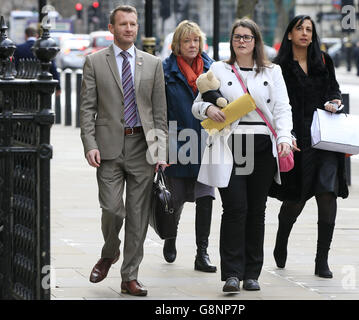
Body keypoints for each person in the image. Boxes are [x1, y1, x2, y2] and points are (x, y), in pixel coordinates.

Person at [192, 18, 293, 293]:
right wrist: (208, 110)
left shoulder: (272, 72)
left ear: (256, 41)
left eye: (247, 37)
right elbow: (198, 104)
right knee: (235, 208)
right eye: (237, 37)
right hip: (230, 145)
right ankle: (232, 274)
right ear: (232, 40)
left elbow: (283, 109)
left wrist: (284, 138)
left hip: (262, 146)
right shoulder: (218, 69)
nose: (242, 41)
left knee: (256, 210)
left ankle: (252, 273)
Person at [80, 5, 168, 297]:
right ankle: (110, 251)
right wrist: (90, 145)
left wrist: (160, 150)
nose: (129, 28)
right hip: (107, 149)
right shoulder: (94, 62)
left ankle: (129, 276)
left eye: (133, 24)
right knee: (112, 209)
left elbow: (159, 112)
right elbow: (87, 108)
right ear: (112, 28)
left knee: (137, 215)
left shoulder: (153, 64)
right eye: (123, 24)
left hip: (142, 148)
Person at [270, 15, 349, 279]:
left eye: (309, 30)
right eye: (299, 29)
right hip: (296, 140)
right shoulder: (278, 67)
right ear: (290, 34)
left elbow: (334, 90)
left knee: (328, 193)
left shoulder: (324, 61)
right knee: (296, 199)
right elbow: (276, 105)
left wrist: (334, 102)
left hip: (325, 138)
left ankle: (321, 260)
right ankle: (282, 239)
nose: (305, 33)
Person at [162, 20, 217, 273]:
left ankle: (202, 253)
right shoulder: (165, 71)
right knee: (174, 200)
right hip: (177, 143)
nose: (192, 45)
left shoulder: (213, 70)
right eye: (187, 40)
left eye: (196, 40)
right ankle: (170, 237)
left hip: (207, 144)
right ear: (177, 45)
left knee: (206, 199)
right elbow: (158, 112)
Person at [13, 26, 61, 96]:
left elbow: (15, 66)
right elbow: (52, 68)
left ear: (26, 35)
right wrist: (58, 87)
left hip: (23, 84)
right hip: (41, 83)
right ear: (36, 35)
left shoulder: (19, 49)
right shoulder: (43, 48)